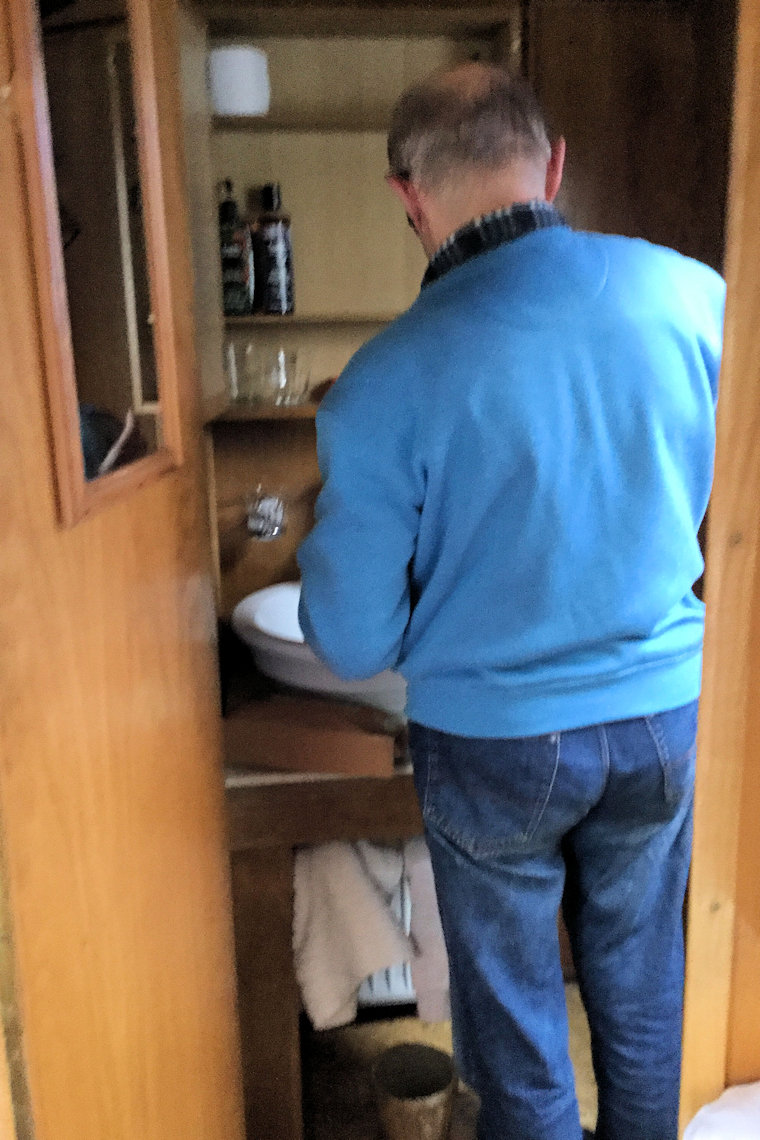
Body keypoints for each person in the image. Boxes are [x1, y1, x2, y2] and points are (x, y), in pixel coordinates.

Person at [297, 62, 724, 1140]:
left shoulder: (383, 381)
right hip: (666, 715)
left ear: (406, 196)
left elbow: (349, 643)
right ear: (555, 164)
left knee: (516, 1019)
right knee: (642, 979)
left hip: (493, 745)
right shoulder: (694, 295)